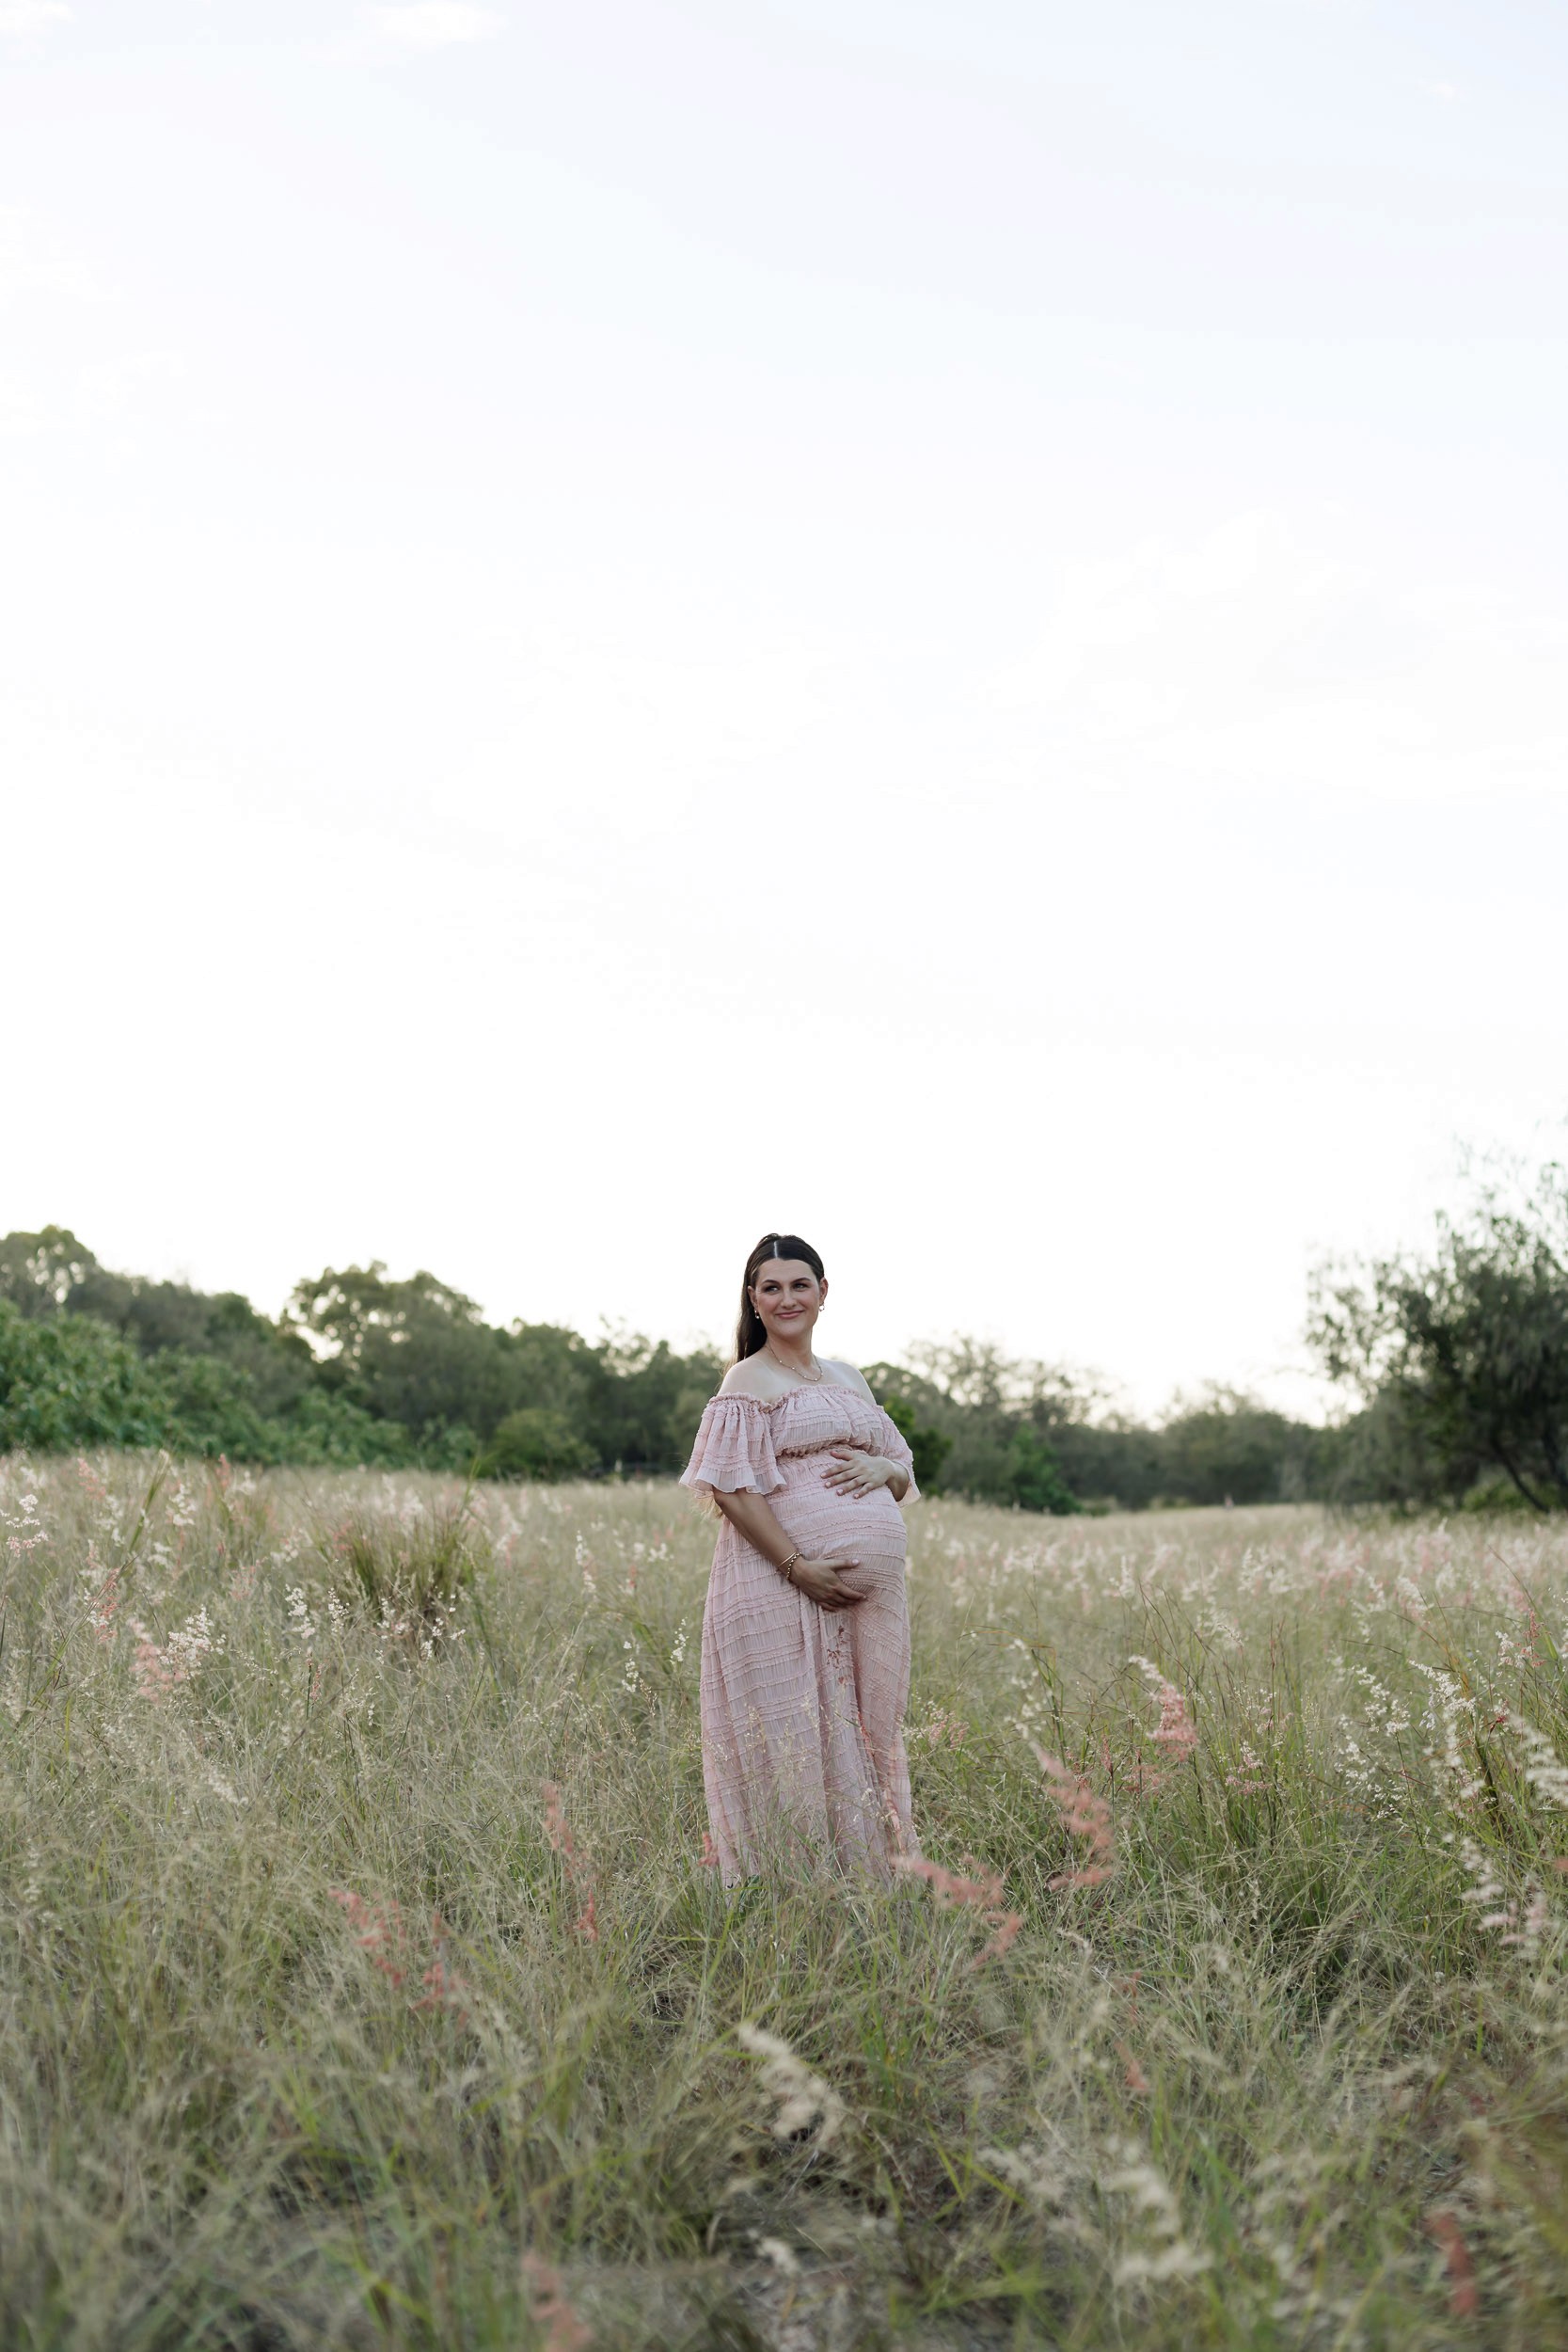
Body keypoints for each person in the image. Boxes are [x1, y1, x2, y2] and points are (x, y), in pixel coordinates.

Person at [681, 1232, 921, 1885]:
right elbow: (730, 1487)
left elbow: (901, 1470)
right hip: (779, 1584)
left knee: (868, 1729)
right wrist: (797, 1566)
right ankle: (794, 1889)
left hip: (871, 1598)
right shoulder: (747, 1380)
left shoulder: (850, 1378)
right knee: (795, 1734)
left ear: (822, 1293)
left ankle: (871, 1882)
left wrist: (879, 1465)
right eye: (770, 1287)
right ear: (753, 1301)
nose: (786, 1298)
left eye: (798, 1284)